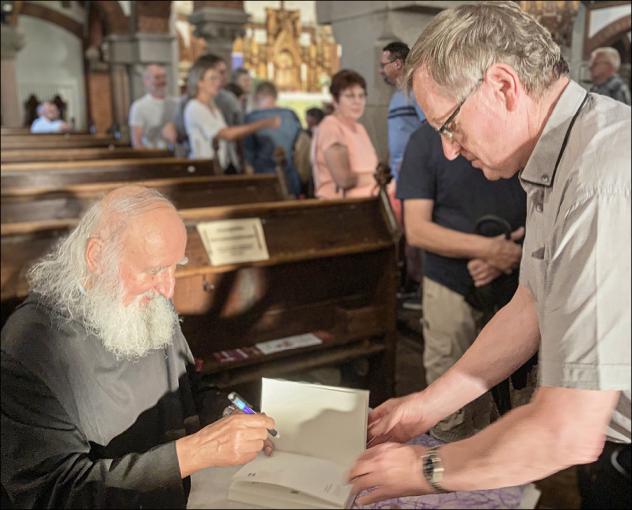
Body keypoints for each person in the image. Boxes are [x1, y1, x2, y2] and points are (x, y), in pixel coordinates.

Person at [349, 2, 630, 508]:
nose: (451, 151)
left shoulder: (599, 182)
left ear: (502, 86)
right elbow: (530, 306)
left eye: (450, 125)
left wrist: (429, 468)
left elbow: (569, 427)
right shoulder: (561, 155)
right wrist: (426, 406)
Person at [1, 186, 276, 508]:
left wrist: (226, 414)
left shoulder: (149, 304)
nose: (168, 288)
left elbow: (188, 388)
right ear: (96, 256)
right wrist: (195, 452)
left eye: (176, 267)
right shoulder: (29, 347)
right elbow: (53, 492)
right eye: (155, 270)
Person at [396, 121, 527, 442]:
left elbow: (544, 207)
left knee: (517, 403)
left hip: (522, 286)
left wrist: (512, 254)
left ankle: (507, 484)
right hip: (452, 285)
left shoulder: (516, 130)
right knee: (453, 406)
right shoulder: (425, 141)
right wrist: (491, 250)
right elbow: (417, 229)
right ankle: (451, 477)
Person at [183, 55, 280, 165]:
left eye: (218, 78)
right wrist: (264, 123)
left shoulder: (212, 106)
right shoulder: (195, 107)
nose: (217, 82)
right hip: (204, 167)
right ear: (200, 82)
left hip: (219, 165)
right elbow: (226, 134)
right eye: (212, 78)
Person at [311, 69, 380, 199]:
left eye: (361, 96)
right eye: (350, 96)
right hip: (342, 207)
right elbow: (344, 180)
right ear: (335, 100)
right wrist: (381, 178)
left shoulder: (360, 128)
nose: (357, 102)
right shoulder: (330, 127)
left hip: (371, 200)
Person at [244, 81, 302, 196]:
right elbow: (299, 143)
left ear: (257, 96)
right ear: (275, 95)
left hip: (263, 176)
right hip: (290, 173)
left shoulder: (252, 118)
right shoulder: (290, 115)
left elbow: (248, 151)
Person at [379, 41, 425, 181]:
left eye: (383, 65)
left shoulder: (416, 91)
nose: (380, 71)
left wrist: (412, 161)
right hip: (399, 175)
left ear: (397, 64)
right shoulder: (397, 96)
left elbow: (431, 130)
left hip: (415, 173)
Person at [128, 64, 178, 149]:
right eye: (157, 77)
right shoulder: (139, 106)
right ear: (146, 81)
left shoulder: (176, 103)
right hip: (152, 157)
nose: (162, 81)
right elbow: (137, 142)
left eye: (164, 77)